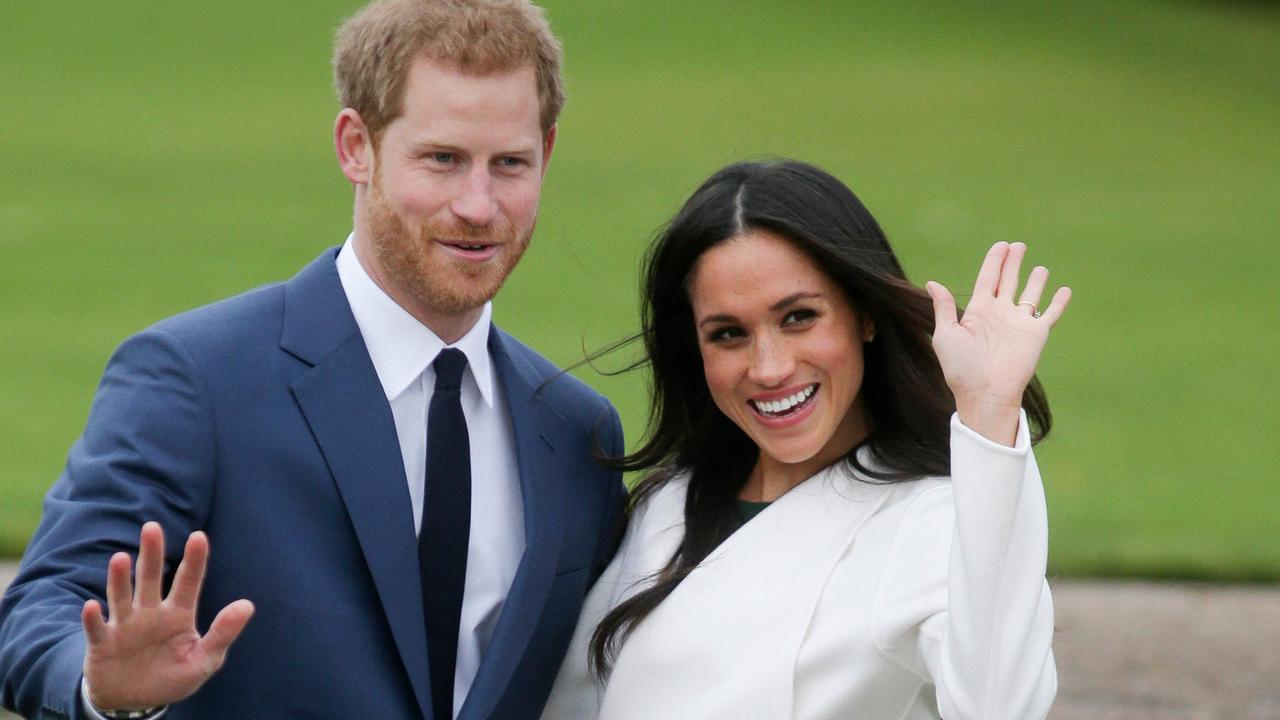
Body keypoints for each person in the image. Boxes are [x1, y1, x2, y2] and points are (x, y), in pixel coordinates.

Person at [0, 1, 625, 718]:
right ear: (356, 145)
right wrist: (97, 686)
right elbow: (40, 607)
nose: (479, 206)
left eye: (508, 164)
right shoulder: (196, 380)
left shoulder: (578, 435)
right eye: (443, 159)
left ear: (546, 152)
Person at [542, 159, 1070, 720]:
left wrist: (989, 413)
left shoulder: (933, 520)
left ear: (863, 315)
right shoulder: (667, 504)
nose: (769, 369)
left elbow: (1001, 706)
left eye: (798, 317)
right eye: (728, 334)